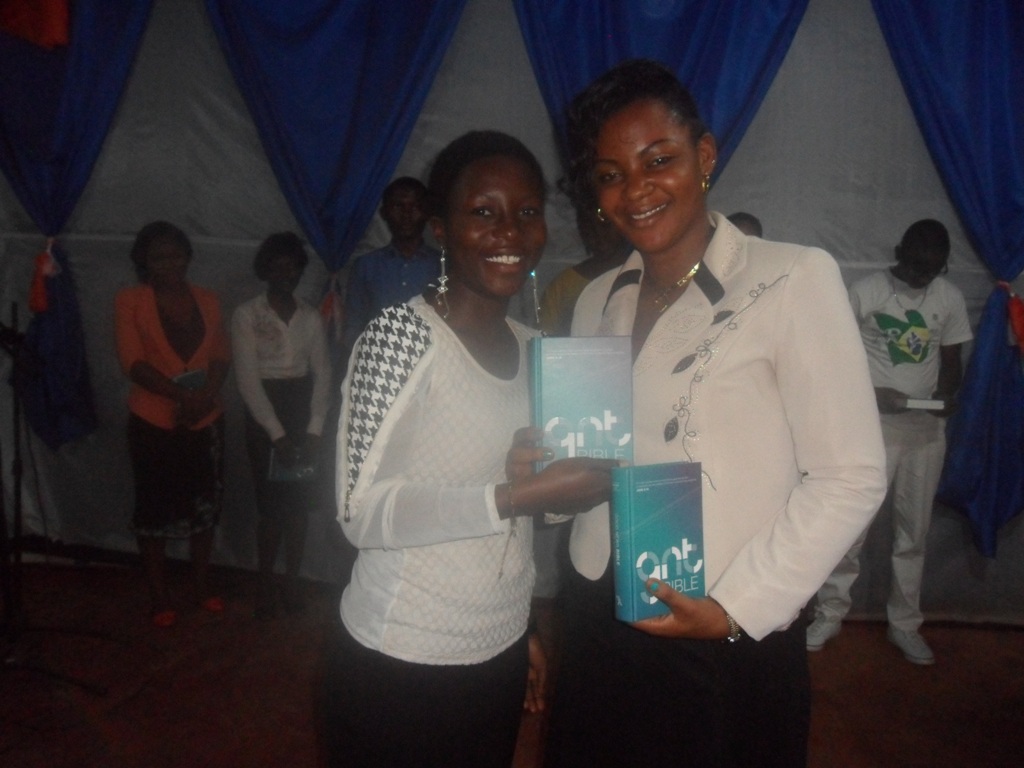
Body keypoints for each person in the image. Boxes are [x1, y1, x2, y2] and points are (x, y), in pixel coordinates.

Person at [535, 59, 887, 767]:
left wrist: (736, 609)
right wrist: (545, 473)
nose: (636, 190)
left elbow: (851, 475)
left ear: (705, 155)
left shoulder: (791, 277)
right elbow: (589, 459)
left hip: (725, 620)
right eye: (610, 174)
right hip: (599, 602)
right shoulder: (598, 296)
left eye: (658, 160)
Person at [322, 131, 617, 767]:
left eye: (527, 211)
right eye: (484, 211)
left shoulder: (536, 347)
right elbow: (360, 513)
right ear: (440, 228)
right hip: (403, 657)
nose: (510, 231)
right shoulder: (399, 337)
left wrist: (522, 626)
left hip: (499, 648)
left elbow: (525, 520)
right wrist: (512, 496)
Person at [806, 219, 972, 665]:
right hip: (868, 429)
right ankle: (829, 614)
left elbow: (952, 359)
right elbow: (834, 357)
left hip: (925, 435)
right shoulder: (866, 292)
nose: (922, 277)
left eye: (932, 270)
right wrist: (873, 393)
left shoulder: (949, 297)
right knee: (849, 529)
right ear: (900, 252)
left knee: (913, 535)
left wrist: (946, 397)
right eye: (916, 266)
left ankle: (905, 625)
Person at [115, 221, 231, 627]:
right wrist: (185, 398)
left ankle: (201, 587)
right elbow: (133, 362)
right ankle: (159, 596)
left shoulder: (208, 299)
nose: (169, 263)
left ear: (188, 256)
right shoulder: (130, 301)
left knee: (205, 507)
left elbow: (221, 355)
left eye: (176, 255)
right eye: (158, 257)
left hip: (206, 418)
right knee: (154, 512)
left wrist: (204, 398)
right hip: (153, 422)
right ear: (143, 261)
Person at [231, 232, 331, 619]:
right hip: (264, 416)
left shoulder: (310, 316)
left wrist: (315, 429)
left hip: (303, 414)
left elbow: (323, 373)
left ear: (300, 270)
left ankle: (292, 582)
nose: (285, 273)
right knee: (271, 509)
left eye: (292, 267)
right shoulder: (247, 315)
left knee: (298, 507)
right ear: (265, 270)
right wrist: (277, 435)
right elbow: (247, 381)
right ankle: (265, 583)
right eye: (277, 266)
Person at [341, 176, 440, 353]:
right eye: (398, 206)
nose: (406, 215)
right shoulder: (365, 266)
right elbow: (353, 327)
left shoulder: (444, 266)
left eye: (415, 207)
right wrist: (374, 356)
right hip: (378, 361)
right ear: (384, 213)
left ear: (426, 212)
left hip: (434, 363)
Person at [539, 198, 632, 336]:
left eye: (605, 223)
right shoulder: (563, 285)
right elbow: (545, 339)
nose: (598, 232)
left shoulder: (643, 273)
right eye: (588, 226)